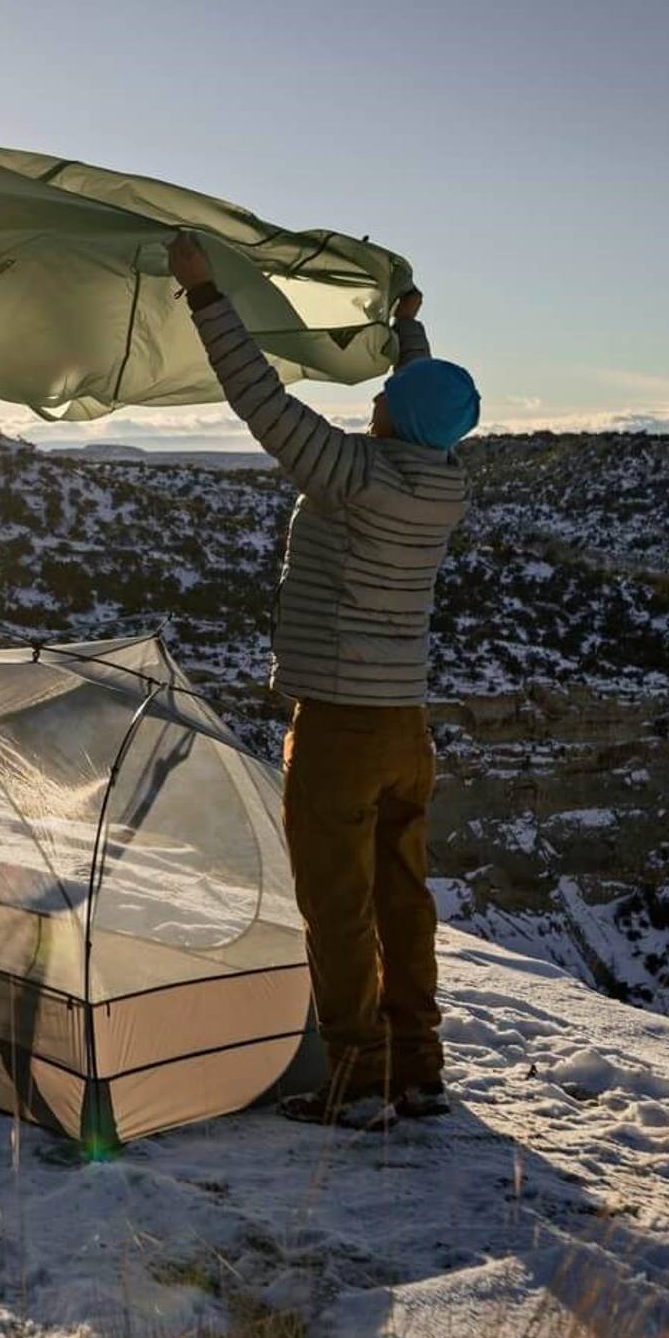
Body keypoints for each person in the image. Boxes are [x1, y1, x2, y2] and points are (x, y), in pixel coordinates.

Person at [167, 232, 479, 1130]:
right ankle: (419, 1071)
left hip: (340, 728)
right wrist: (411, 335)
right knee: (402, 901)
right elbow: (429, 405)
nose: (375, 397)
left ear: (394, 419)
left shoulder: (353, 478)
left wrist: (205, 295)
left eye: (386, 394)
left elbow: (261, 402)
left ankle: (354, 1083)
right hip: (405, 731)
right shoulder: (442, 482)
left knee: (337, 908)